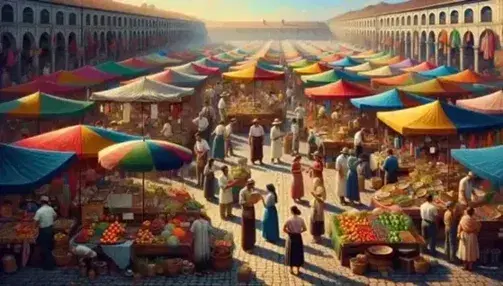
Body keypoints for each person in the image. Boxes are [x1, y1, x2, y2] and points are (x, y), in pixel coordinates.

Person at [34, 195, 57, 270]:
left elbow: (35, 222)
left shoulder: (39, 211)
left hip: (43, 231)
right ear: (47, 202)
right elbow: (55, 216)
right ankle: (50, 263)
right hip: (50, 229)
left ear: (41, 202)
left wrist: (35, 227)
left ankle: (49, 266)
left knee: (45, 248)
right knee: (49, 246)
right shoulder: (50, 209)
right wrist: (50, 220)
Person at [284, 206, 306, 275]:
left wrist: (289, 233)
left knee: (291, 253)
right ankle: (298, 270)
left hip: (291, 237)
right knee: (298, 253)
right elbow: (305, 229)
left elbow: (284, 229)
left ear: (292, 211)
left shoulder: (289, 219)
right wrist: (299, 232)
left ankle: (291, 270)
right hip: (298, 237)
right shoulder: (301, 219)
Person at [239, 179, 258, 252]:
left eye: (253, 184)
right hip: (246, 210)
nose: (252, 186)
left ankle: (251, 243)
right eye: (250, 184)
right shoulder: (242, 191)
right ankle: (246, 246)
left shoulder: (252, 190)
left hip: (252, 209)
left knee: (251, 227)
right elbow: (241, 202)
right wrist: (248, 202)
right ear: (247, 184)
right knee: (246, 228)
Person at [310, 177, 326, 242]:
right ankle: (317, 237)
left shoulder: (320, 189)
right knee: (316, 222)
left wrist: (315, 196)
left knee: (316, 223)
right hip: (317, 208)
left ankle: (317, 238)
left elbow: (321, 199)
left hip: (317, 209)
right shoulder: (319, 187)